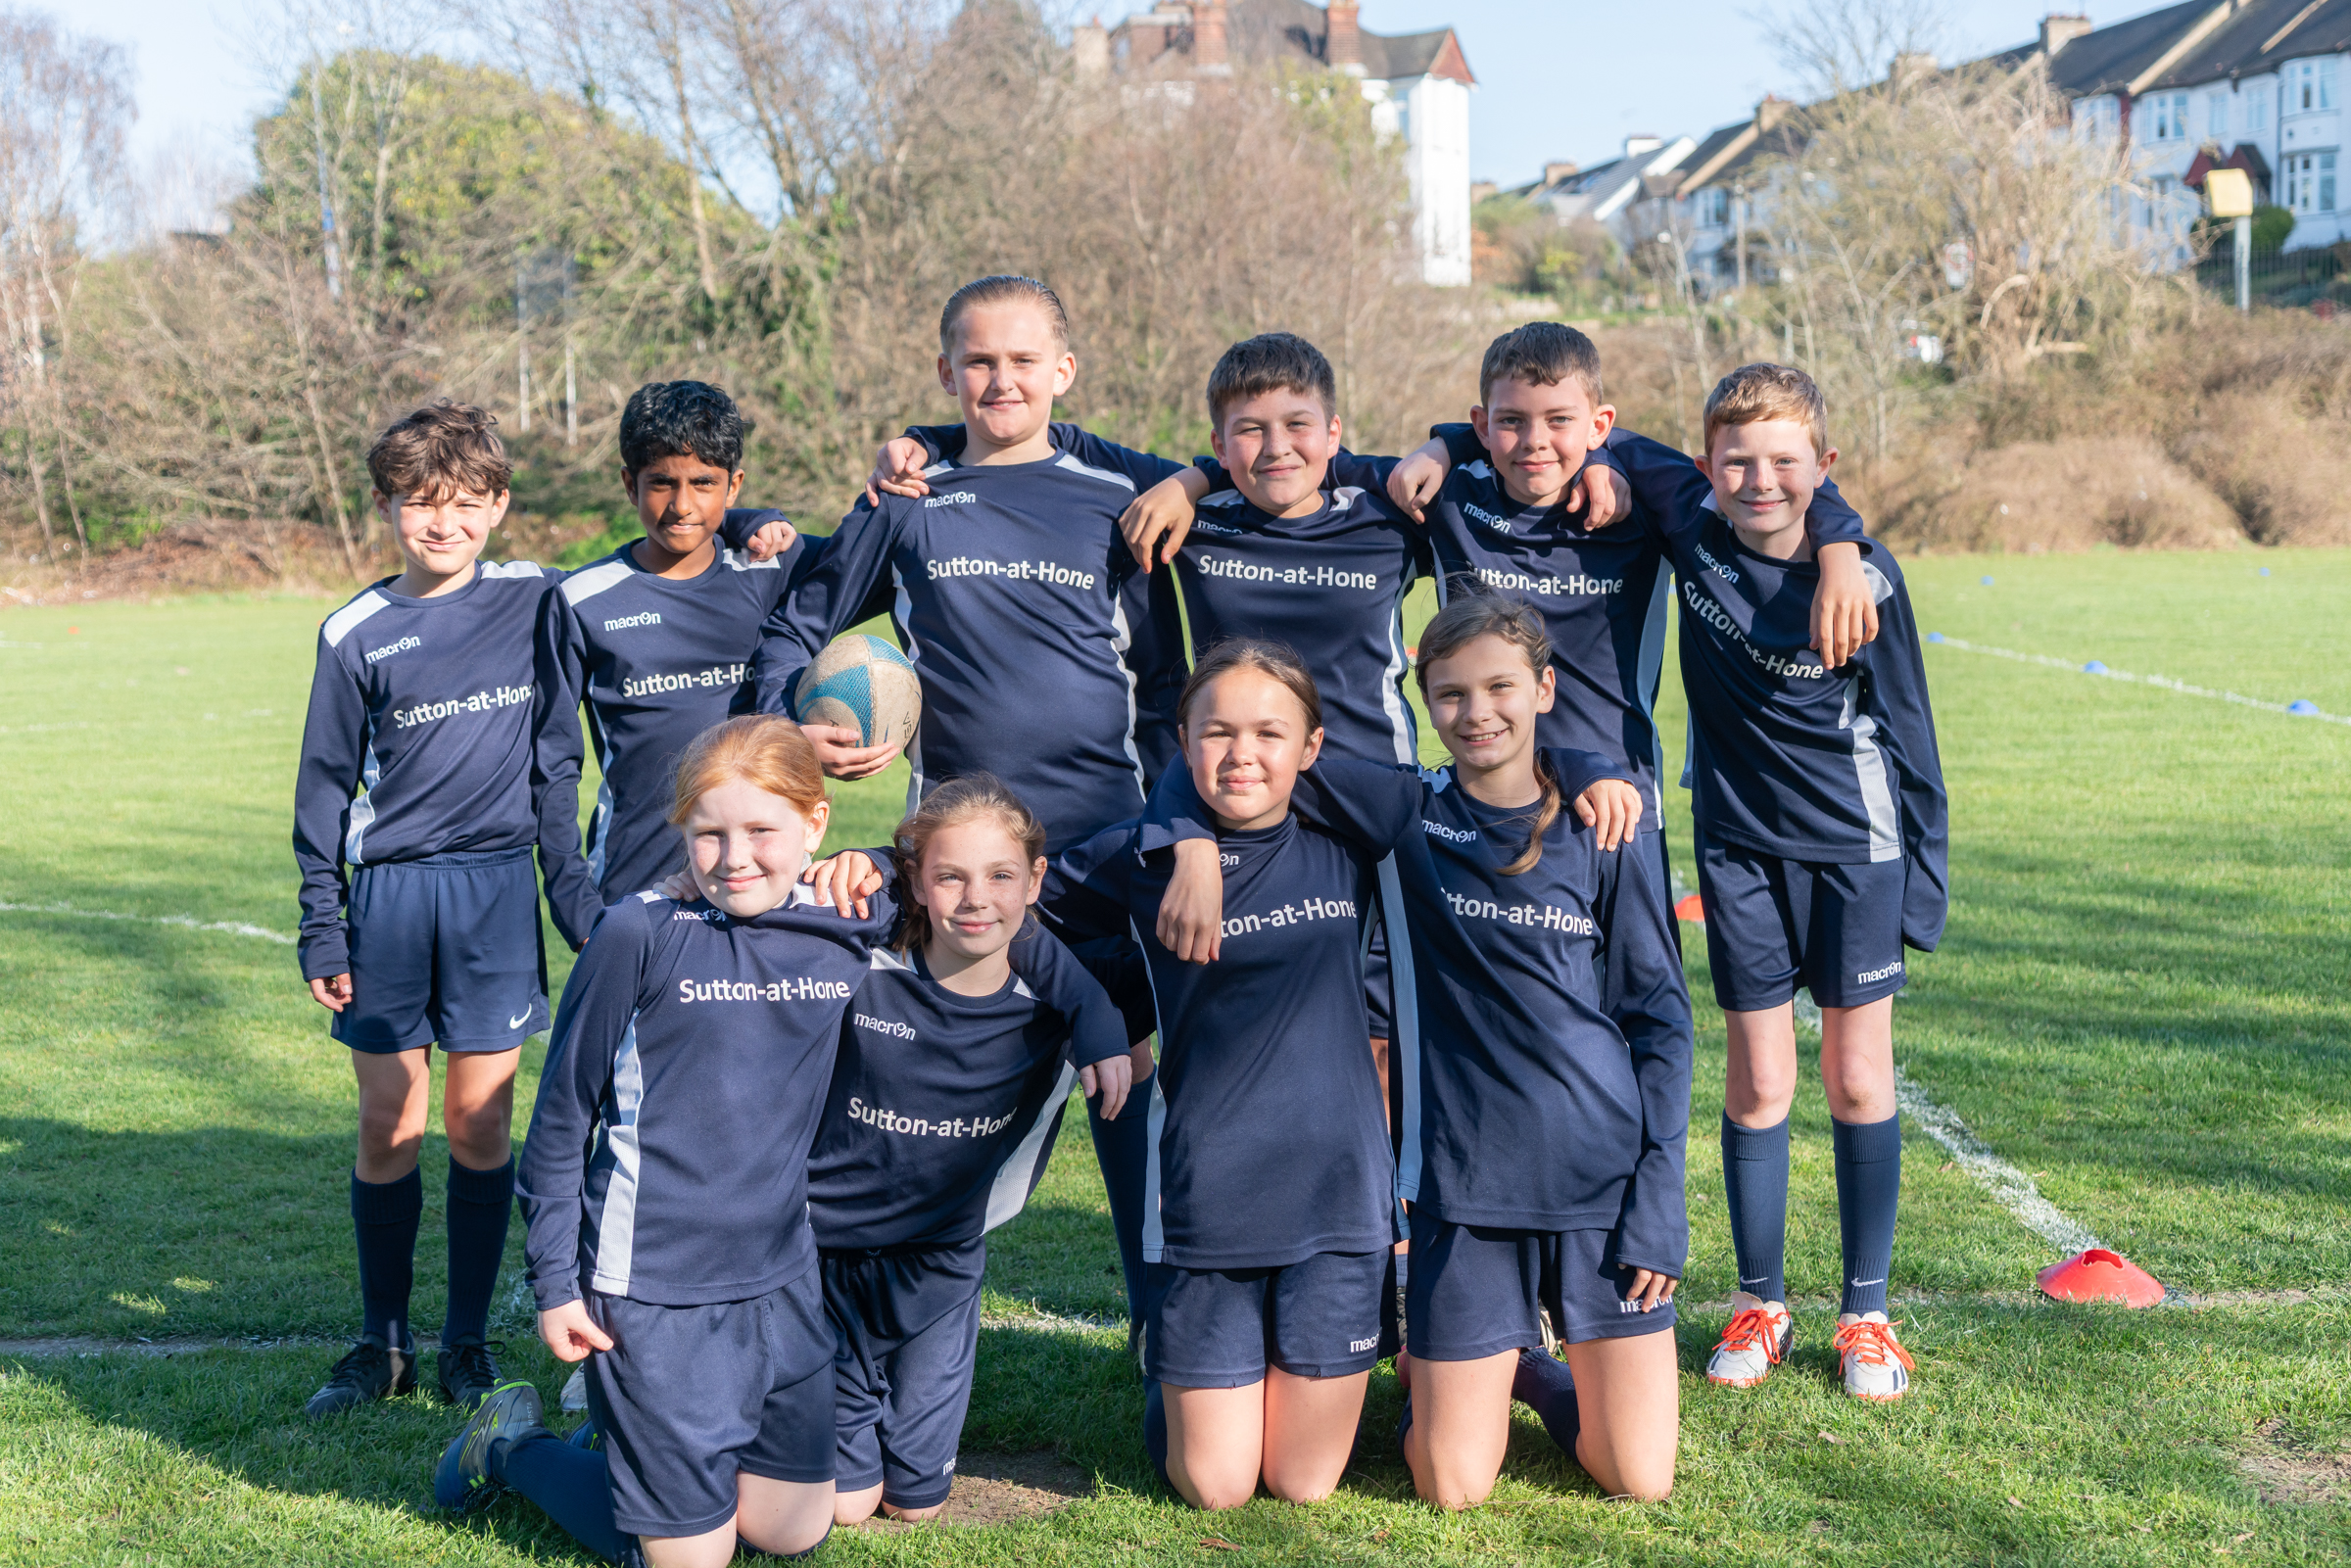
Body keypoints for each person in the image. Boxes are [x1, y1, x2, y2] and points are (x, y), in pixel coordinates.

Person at [1144, 594, 1685, 1505]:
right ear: (1423, 702)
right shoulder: (1406, 812)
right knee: (1449, 1483)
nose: (1477, 713)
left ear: (1545, 688)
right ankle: (1458, 1369)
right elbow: (1232, 755)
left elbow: (1660, 1020)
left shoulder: (1607, 827)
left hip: (1602, 1177)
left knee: (1638, 1477)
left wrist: (1659, 1195)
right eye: (1451, 694)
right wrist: (1191, 844)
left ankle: (1528, 1369)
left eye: (1501, 687)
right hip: (1463, 1187)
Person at [748, 274, 1197, 1348]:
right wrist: (792, 727)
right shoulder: (907, 499)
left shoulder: (1118, 504)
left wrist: (1176, 832)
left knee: (1130, 1086)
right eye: (979, 361)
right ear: (946, 372)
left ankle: (1166, 1341)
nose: (1002, 379)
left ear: (1064, 371)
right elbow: (794, 623)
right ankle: (859, 1336)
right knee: (933, 1113)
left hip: (1103, 859)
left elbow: (1168, 698)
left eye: (1023, 359)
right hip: (960, 879)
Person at [432, 716, 896, 1567]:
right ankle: (510, 1446)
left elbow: (950, 870)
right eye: (708, 833)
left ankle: (632, 1446)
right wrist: (554, 1285)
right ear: (681, 831)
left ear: (816, 824)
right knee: (691, 1561)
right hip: (652, 1287)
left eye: (761, 830)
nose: (734, 857)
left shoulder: (843, 921)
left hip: (781, 1276)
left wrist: (881, 862)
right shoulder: (639, 933)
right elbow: (561, 1118)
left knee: (791, 1530)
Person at [1614, 362, 1948, 1402]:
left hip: (1857, 850)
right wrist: (1446, 444)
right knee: (1759, 1082)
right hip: (1738, 851)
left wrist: (1927, 877)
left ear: (1824, 464)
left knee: (1857, 1078)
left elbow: (1912, 732)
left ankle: (1866, 1315)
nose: (1760, 480)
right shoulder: (1691, 527)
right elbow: (1598, 433)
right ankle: (1760, 1301)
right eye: (1737, 461)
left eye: (1785, 461)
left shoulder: (1868, 579)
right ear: (1706, 465)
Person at [292, 402, 555, 1417]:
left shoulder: (537, 598)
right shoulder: (353, 631)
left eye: (464, 502)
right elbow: (323, 787)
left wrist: (756, 523)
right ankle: (383, 1342)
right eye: (418, 503)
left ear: (499, 505)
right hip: (391, 900)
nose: (442, 523)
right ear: (386, 507)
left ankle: (466, 1344)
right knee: (389, 1123)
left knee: (479, 1124)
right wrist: (323, 920)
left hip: (495, 891)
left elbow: (658, 555)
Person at [803, 776, 1134, 1525]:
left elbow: (1154, 897)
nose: (976, 897)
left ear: (1035, 880)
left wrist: (1102, 1018)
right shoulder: (861, 956)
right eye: (950, 875)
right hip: (828, 1264)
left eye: (1000, 875)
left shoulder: (1064, 994)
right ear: (916, 881)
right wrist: (865, 860)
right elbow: (751, 899)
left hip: (941, 1269)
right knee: (847, 1506)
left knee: (916, 1504)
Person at [535, 380, 813, 954]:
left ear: (734, 485)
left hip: (760, 878)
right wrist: (574, 903)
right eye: (661, 482)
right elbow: (552, 765)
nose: (682, 504)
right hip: (636, 886)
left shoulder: (772, 570)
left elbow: (882, 552)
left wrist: (753, 520)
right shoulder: (581, 599)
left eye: (704, 483)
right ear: (628, 484)